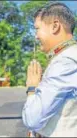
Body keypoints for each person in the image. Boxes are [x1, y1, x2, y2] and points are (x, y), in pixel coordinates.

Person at [22, 2, 77, 137]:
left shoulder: (65, 62)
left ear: (55, 26)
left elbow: (32, 119)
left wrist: (32, 88)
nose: (36, 36)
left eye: (37, 29)